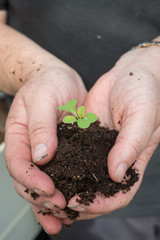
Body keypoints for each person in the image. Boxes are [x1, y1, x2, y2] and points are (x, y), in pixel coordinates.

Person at [0, 0, 160, 239]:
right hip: (47, 150)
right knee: (60, 218)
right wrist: (37, 71)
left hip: (147, 169)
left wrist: (153, 62)